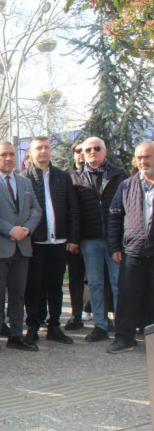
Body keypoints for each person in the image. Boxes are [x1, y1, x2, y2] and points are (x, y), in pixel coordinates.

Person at [0, 142, 42, 354]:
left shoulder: (25, 182)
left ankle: (16, 335)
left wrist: (25, 229)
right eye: (3, 155)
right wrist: (10, 230)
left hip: (22, 247)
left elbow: (36, 209)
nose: (8, 158)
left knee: (18, 294)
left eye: (11, 154)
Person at [23, 137, 80, 345]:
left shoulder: (63, 177)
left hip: (59, 241)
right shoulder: (24, 178)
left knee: (55, 286)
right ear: (31, 152)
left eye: (47, 147)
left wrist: (73, 238)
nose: (43, 151)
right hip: (35, 243)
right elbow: (22, 213)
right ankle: (32, 326)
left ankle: (54, 325)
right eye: (39, 148)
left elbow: (73, 209)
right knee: (34, 286)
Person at [71, 136, 127, 342]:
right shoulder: (75, 178)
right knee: (94, 283)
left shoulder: (119, 175)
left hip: (115, 239)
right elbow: (74, 212)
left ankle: (123, 326)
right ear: (82, 155)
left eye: (96, 148)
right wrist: (74, 239)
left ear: (105, 152)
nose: (92, 152)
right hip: (90, 239)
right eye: (87, 150)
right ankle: (100, 326)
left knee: (117, 282)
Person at [106, 142, 154, 353]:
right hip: (133, 251)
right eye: (140, 157)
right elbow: (115, 216)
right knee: (127, 296)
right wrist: (114, 246)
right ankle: (124, 339)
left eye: (148, 157)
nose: (143, 161)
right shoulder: (127, 185)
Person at [65, 140, 88, 330]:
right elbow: (70, 210)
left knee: (99, 279)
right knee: (76, 277)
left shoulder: (102, 175)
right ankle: (76, 314)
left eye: (85, 151)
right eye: (78, 151)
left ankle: (103, 317)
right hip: (74, 238)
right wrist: (73, 238)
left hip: (95, 235)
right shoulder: (68, 178)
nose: (81, 154)